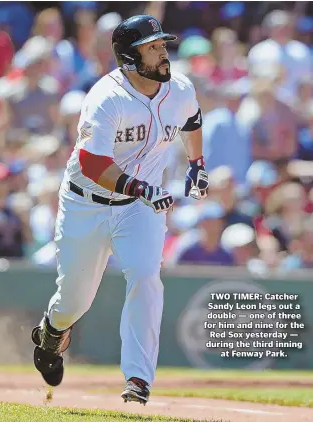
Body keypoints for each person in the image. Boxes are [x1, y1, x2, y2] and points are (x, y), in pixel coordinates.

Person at [31, 15, 209, 406]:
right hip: (86, 203)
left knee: (146, 275)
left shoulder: (179, 88)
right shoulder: (105, 98)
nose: (164, 54)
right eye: (154, 48)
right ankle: (51, 331)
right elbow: (93, 163)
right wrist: (140, 186)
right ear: (130, 57)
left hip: (140, 207)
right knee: (73, 301)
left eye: (163, 45)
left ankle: (138, 380)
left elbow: (192, 120)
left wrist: (196, 165)